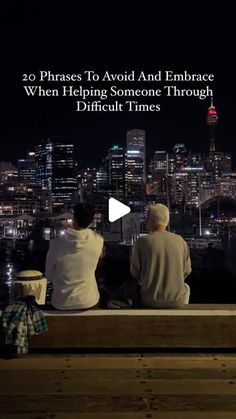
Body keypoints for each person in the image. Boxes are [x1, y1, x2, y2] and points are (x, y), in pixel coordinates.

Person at [130, 204, 191, 308]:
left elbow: (135, 272)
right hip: (176, 300)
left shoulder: (142, 242)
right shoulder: (180, 241)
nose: (145, 221)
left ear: (152, 220)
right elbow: (186, 271)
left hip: (149, 300)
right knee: (186, 287)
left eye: (147, 218)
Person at [45, 203, 104, 310]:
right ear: (90, 221)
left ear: (74, 219)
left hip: (61, 302)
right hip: (89, 301)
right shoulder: (99, 241)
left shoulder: (57, 243)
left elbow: (48, 274)